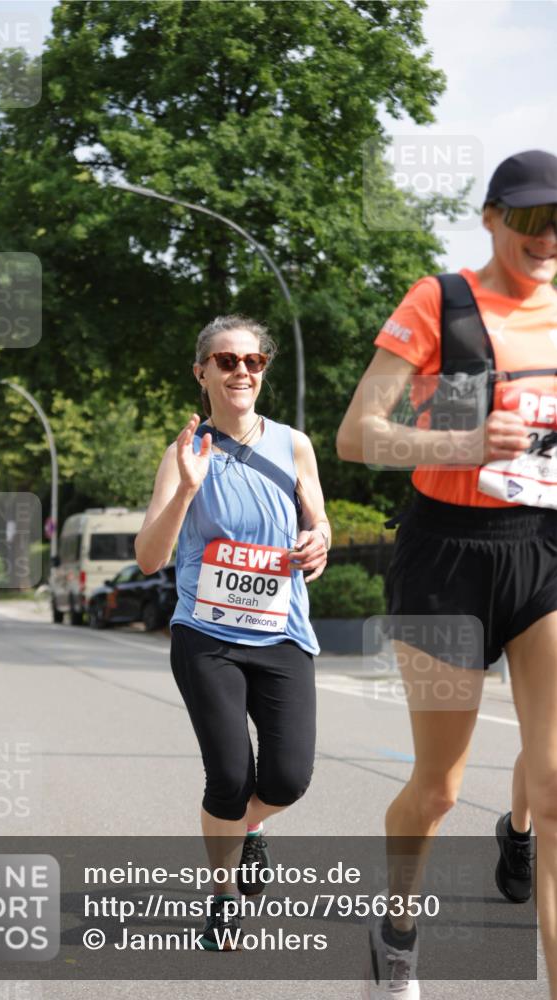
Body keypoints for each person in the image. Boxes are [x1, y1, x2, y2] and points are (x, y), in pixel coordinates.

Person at [336, 150, 557, 999]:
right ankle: (395, 931)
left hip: (542, 549)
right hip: (445, 558)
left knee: (552, 786)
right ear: (491, 217)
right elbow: (358, 434)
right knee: (436, 790)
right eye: (530, 219)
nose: (546, 237)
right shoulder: (440, 301)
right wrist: (462, 443)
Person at [135, 314, 330, 949]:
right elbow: (149, 558)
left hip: (281, 632)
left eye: (253, 360)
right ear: (201, 373)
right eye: (226, 360)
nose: (241, 370)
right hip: (206, 636)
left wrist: (319, 542)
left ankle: (249, 827)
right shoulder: (184, 453)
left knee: (288, 779)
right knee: (228, 776)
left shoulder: (294, 444)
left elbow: (318, 522)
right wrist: (186, 491)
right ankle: (221, 896)